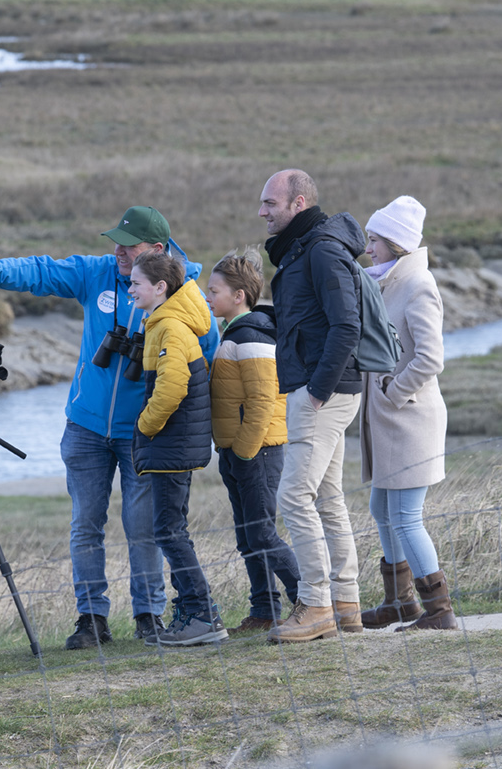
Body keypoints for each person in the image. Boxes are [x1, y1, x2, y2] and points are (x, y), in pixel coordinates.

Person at [0, 206, 218, 650]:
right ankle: (91, 620)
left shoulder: (185, 294)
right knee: (85, 524)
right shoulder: (97, 273)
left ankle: (149, 616)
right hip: (85, 427)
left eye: (129, 246)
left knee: (141, 526)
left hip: (140, 432)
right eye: (116, 243)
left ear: (158, 251)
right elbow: (40, 271)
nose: (119, 253)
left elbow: (205, 362)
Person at [257, 168, 366, 643]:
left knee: (293, 496)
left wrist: (317, 390)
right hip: (321, 387)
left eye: (270, 204)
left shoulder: (320, 250)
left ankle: (316, 604)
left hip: (322, 391)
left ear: (298, 204)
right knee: (326, 497)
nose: (262, 212)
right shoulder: (306, 249)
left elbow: (347, 324)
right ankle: (345, 603)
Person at [357, 196, 456, 631]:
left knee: (406, 516)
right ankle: (399, 603)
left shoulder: (418, 284)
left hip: (409, 417)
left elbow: (431, 358)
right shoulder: (384, 281)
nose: (368, 247)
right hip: (390, 419)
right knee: (382, 508)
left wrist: (393, 392)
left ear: (395, 243)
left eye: (374, 239)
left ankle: (439, 610)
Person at [127, 248, 225, 646]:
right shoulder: (167, 322)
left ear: (160, 287)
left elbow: (170, 389)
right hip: (176, 442)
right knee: (171, 528)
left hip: (172, 442)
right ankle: (190, 612)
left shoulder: (171, 327)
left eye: (136, 283)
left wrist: (144, 428)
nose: (130, 288)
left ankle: (202, 614)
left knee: (169, 531)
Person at [203, 251, 300, 633]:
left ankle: (309, 603)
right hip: (237, 451)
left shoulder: (253, 334)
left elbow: (261, 402)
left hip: (256, 452)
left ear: (239, 295)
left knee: (261, 532)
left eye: (214, 290)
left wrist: (243, 452)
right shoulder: (236, 330)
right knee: (248, 534)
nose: (207, 296)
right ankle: (264, 611)